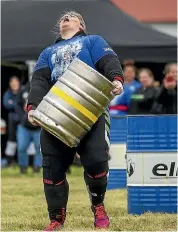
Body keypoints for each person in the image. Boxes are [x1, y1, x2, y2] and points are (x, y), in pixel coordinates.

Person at [27, 11, 124, 231]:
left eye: (71, 17)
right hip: (56, 111)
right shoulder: (47, 52)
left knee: (97, 159)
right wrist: (33, 107)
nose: (65, 18)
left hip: (90, 109)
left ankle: (98, 206)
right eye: (62, 17)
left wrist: (116, 79)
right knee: (52, 165)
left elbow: (109, 60)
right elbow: (40, 81)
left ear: (81, 24)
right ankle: (56, 219)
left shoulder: (92, 41)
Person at [15, 83, 42, 174]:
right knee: (21, 148)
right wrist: (22, 116)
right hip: (24, 126)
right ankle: (23, 168)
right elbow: (16, 105)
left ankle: (37, 168)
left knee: (40, 149)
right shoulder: (23, 90)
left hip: (38, 127)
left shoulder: (44, 88)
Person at [3, 76, 21, 165]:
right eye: (12, 82)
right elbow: (6, 104)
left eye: (16, 82)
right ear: (10, 84)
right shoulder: (7, 94)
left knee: (24, 142)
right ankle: (10, 162)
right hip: (12, 121)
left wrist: (14, 104)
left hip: (22, 121)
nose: (14, 84)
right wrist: (17, 105)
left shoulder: (23, 92)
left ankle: (26, 163)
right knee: (11, 141)